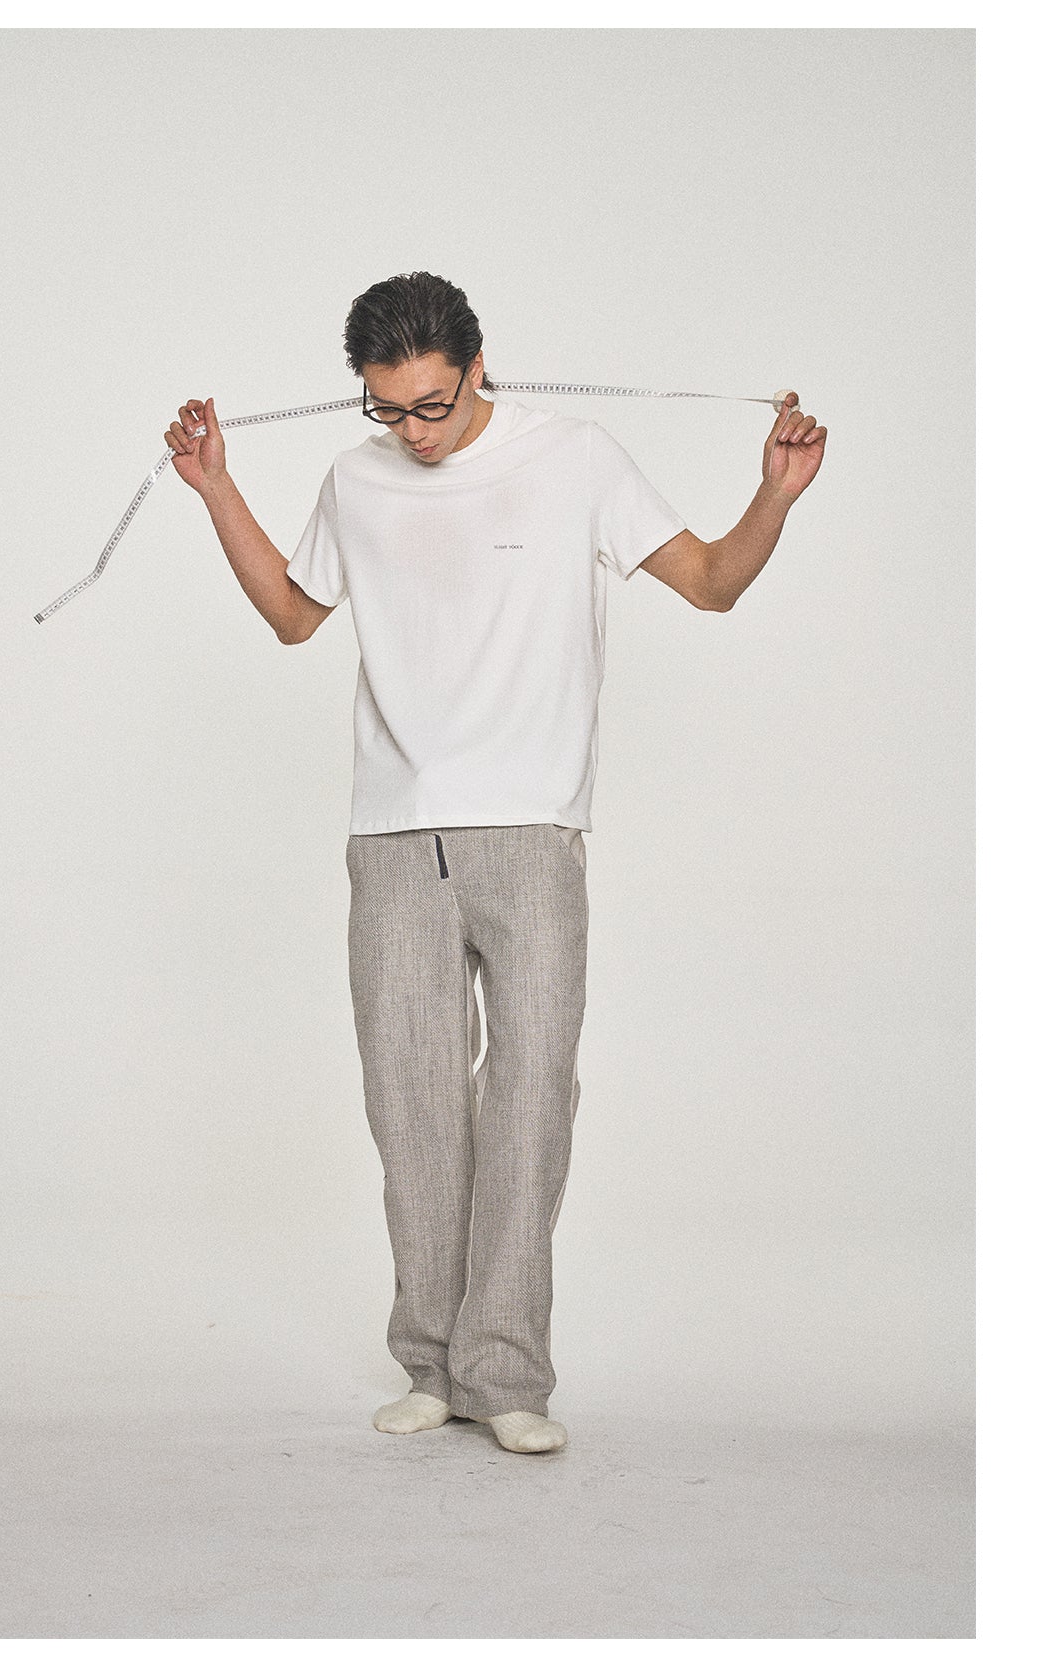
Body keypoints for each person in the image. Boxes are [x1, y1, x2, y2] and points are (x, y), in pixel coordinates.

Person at [164, 272, 827, 1455]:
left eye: (433, 403)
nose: (414, 432)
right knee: (411, 1101)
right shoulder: (357, 477)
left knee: (531, 1097)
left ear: (479, 367)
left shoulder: (576, 455)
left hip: (532, 829)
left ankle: (507, 1370)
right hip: (393, 833)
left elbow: (713, 584)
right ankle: (432, 1362)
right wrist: (217, 486)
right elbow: (293, 615)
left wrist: (772, 494)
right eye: (389, 409)